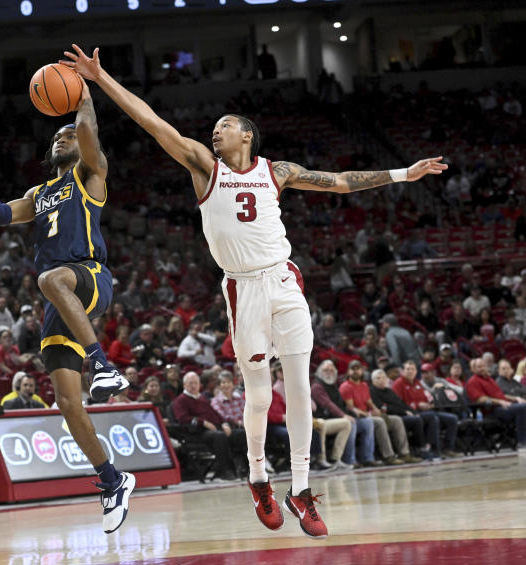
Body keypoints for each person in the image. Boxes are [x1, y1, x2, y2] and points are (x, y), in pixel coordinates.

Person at [63, 43, 447, 538]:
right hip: (242, 290)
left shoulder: (277, 171)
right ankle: (260, 478)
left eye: (224, 124)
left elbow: (339, 182)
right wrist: (101, 79)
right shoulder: (204, 165)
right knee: (261, 395)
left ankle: (302, 491)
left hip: (284, 279)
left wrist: (402, 173)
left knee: (302, 387)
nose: (214, 130)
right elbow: (153, 122)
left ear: (246, 133)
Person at [0, 70, 135, 534]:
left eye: (68, 132)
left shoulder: (91, 176)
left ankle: (103, 365)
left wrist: (84, 99)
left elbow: (87, 132)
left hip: (89, 276)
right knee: (68, 404)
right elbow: (0, 215)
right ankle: (112, 479)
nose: (63, 137)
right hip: (60, 297)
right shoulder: (40, 193)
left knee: (49, 277)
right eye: (57, 135)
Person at [171, 371, 246, 481]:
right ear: (184, 385)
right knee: (219, 436)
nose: (193, 386)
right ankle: (224, 471)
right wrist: (204, 422)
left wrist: (224, 424)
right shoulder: (180, 400)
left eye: (196, 383)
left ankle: (248, 469)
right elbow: (182, 419)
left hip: (214, 430)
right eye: (190, 383)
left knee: (240, 434)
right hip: (196, 433)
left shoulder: (202, 398)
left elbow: (215, 414)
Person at [338, 360, 404, 465]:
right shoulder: (346, 387)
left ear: (362, 371)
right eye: (353, 369)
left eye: (358, 369)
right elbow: (351, 408)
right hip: (356, 418)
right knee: (377, 422)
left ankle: (404, 453)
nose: (356, 371)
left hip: (366, 415)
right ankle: (387, 456)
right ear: (348, 372)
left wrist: (376, 410)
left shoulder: (364, 385)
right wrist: (369, 414)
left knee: (396, 419)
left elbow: (369, 402)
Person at [465, 357, 526, 451]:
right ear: (473, 369)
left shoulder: (489, 379)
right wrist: (500, 401)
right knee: (522, 408)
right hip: (491, 410)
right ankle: (522, 442)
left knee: (522, 405)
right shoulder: (473, 381)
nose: (482, 368)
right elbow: (480, 399)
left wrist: (516, 398)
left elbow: (501, 395)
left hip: (503, 406)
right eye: (478, 367)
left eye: (483, 366)